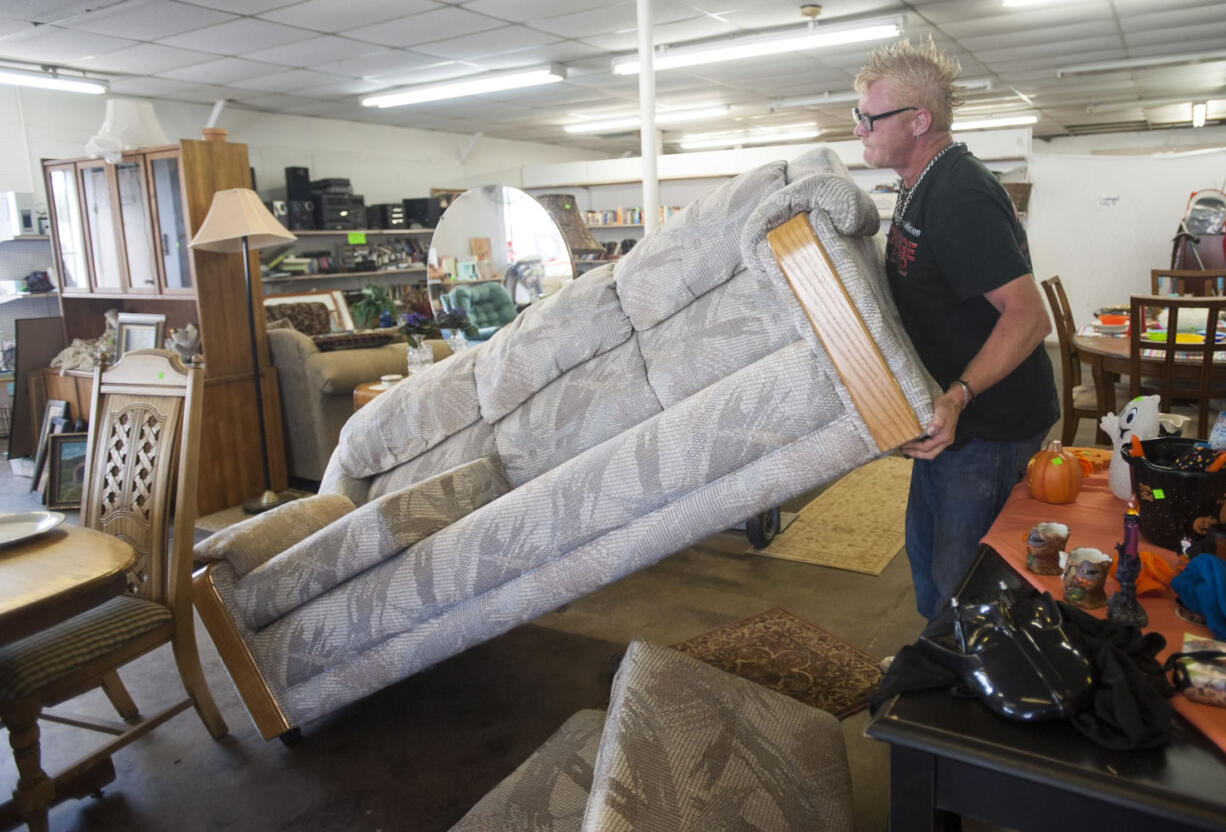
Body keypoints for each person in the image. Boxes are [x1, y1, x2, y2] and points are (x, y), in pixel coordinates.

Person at [853, 39, 1059, 620]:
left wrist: (959, 393)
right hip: (949, 425)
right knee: (930, 574)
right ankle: (944, 676)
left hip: (988, 426)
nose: (859, 130)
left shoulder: (960, 193)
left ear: (919, 121)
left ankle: (968, 693)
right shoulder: (918, 186)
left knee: (964, 593)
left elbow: (1028, 315)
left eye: (870, 118)